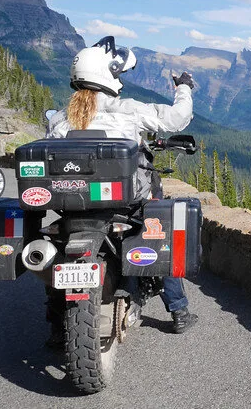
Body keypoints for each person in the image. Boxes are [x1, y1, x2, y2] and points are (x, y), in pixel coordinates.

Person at [46, 36, 198, 337]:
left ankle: (56, 328)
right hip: (124, 202)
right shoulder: (126, 110)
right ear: (108, 75)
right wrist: (184, 88)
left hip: (73, 204)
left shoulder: (60, 119)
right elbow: (176, 118)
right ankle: (178, 310)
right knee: (157, 234)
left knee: (61, 249)